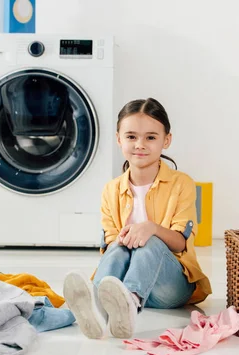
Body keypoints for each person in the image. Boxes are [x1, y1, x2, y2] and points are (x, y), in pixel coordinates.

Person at [62, 97, 212, 339]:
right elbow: (110, 246)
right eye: (131, 136)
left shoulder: (181, 183)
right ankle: (99, 307)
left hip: (170, 287)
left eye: (151, 137)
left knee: (149, 241)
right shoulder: (111, 190)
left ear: (166, 140)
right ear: (119, 139)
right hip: (122, 282)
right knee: (117, 248)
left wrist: (150, 228)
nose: (140, 144)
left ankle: (129, 304)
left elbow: (181, 243)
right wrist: (122, 239)